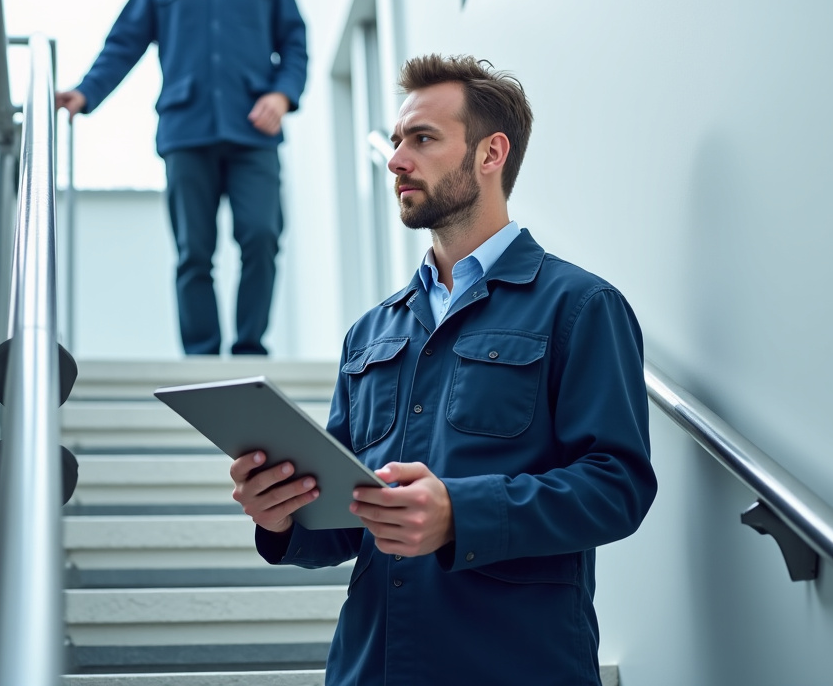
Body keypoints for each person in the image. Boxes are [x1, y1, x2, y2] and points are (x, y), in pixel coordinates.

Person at [230, 54, 657, 685]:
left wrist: (461, 511)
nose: (397, 159)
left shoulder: (581, 307)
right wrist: (282, 515)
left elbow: (617, 487)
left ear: (491, 154)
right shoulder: (370, 333)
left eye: (422, 139)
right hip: (371, 667)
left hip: (516, 665)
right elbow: (348, 520)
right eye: (397, 140)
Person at [57, 0, 307, 355]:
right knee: (194, 251)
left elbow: (295, 45)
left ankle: (249, 346)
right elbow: (123, 44)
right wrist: (85, 92)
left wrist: (283, 95)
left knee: (262, 234)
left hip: (254, 134)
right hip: (186, 133)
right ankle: (201, 353)